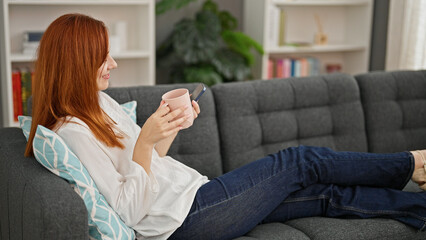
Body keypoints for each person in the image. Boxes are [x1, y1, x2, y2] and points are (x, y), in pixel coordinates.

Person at [25, 13, 426, 240]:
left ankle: (418, 208)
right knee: (301, 161)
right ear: (77, 62)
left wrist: (167, 131)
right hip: (184, 221)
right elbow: (130, 210)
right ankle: (412, 164)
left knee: (323, 195)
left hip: (196, 195)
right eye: (103, 58)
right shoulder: (71, 133)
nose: (113, 64)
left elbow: (152, 165)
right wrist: (144, 142)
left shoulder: (100, 102)